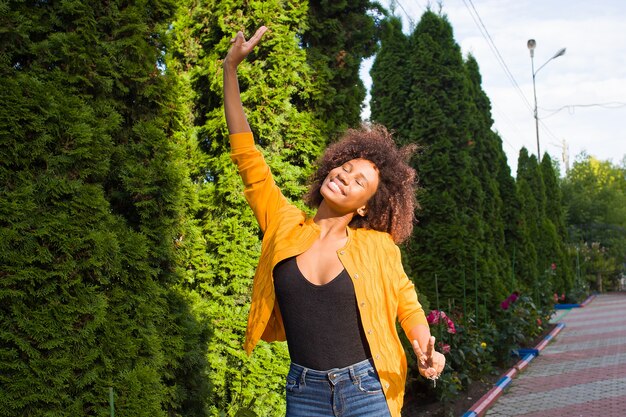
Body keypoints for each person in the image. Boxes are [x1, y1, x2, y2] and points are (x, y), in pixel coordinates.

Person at [223, 26, 445, 417]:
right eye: (344, 167)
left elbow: (407, 306)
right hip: (304, 392)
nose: (344, 176)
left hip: (367, 390)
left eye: (359, 180)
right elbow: (248, 159)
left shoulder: (377, 246)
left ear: (365, 206)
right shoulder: (284, 223)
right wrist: (230, 70)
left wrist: (424, 346)